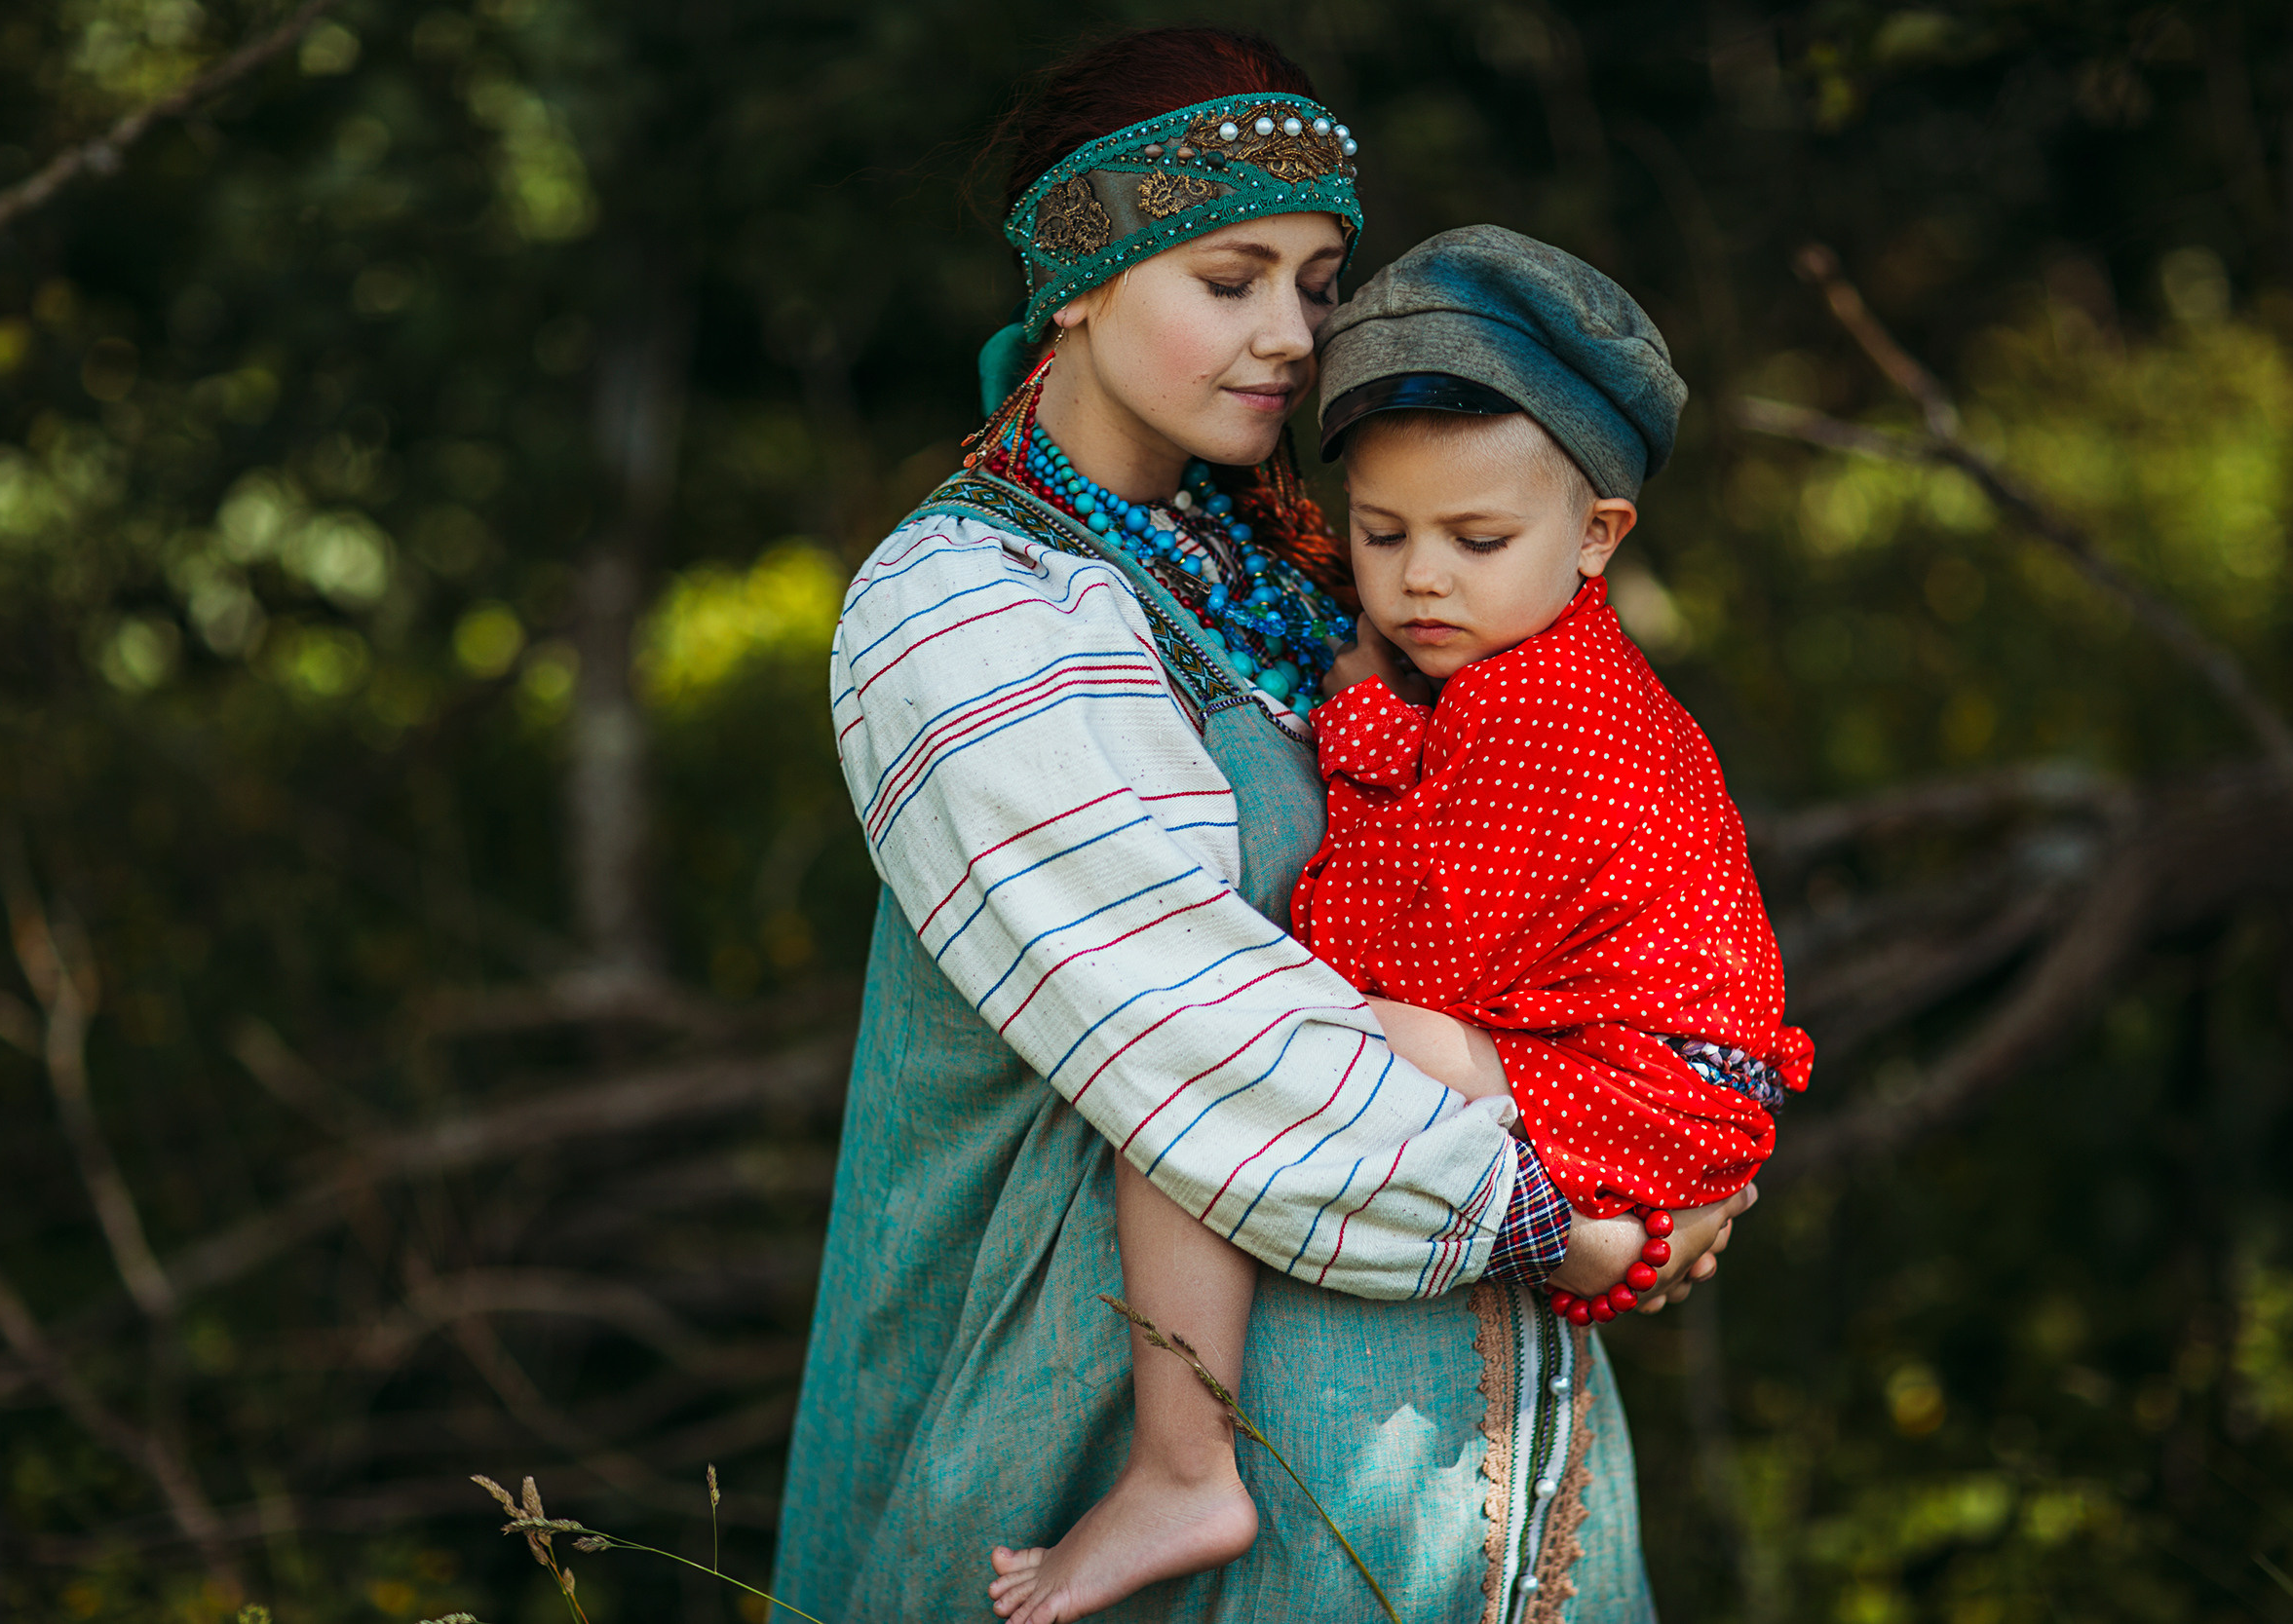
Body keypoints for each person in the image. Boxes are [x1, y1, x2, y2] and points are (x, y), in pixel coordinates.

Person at [772, 29, 1755, 1624]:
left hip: (1471, 1423)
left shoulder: (1327, 568)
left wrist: (1681, 1117)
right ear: (1076, 275)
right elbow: (1191, 1021)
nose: (1292, 335)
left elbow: (1578, 878)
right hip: (1108, 1393)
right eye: (1232, 280)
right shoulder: (967, 611)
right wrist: (1562, 1206)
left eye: (1315, 283)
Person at [990, 227, 1809, 1624]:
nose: (1422, 578)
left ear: (1599, 535)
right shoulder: (1514, 667)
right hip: (1641, 1071)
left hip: (1634, 1084)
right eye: (1382, 534)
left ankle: (1185, 1467)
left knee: (1205, 1072)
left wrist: (1353, 732)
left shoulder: (1544, 718)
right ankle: (1581, 1240)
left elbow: (1409, 949)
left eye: (1476, 541)